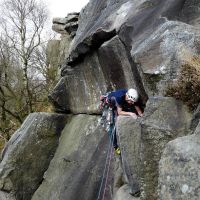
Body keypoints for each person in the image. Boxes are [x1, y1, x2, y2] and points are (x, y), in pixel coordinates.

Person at [100, 88, 144, 155]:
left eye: (133, 102)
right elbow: (119, 112)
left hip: (120, 103)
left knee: (130, 109)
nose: (132, 103)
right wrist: (131, 114)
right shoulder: (119, 97)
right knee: (112, 127)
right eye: (131, 101)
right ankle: (115, 146)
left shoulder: (132, 97)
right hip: (111, 104)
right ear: (127, 97)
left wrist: (142, 116)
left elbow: (139, 111)